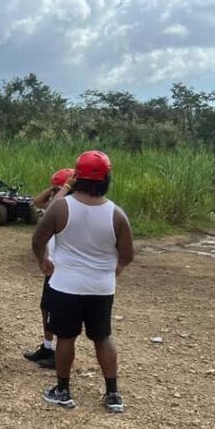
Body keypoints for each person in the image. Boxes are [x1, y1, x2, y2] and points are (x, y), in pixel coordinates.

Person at [31, 151, 134, 413]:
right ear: (107, 179)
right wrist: (116, 269)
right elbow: (127, 255)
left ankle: (63, 390)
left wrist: (43, 260)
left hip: (66, 285)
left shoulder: (61, 207)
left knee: (66, 337)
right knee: (103, 337)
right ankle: (112, 394)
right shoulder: (116, 214)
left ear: (77, 177)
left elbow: (38, 239)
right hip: (101, 287)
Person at [24, 168, 75, 368]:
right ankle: (47, 347)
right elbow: (36, 202)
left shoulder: (67, 207)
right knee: (45, 308)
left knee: (57, 312)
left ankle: (57, 356)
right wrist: (54, 187)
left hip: (63, 269)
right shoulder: (58, 204)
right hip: (53, 266)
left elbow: (51, 205)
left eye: (56, 189)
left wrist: (65, 187)